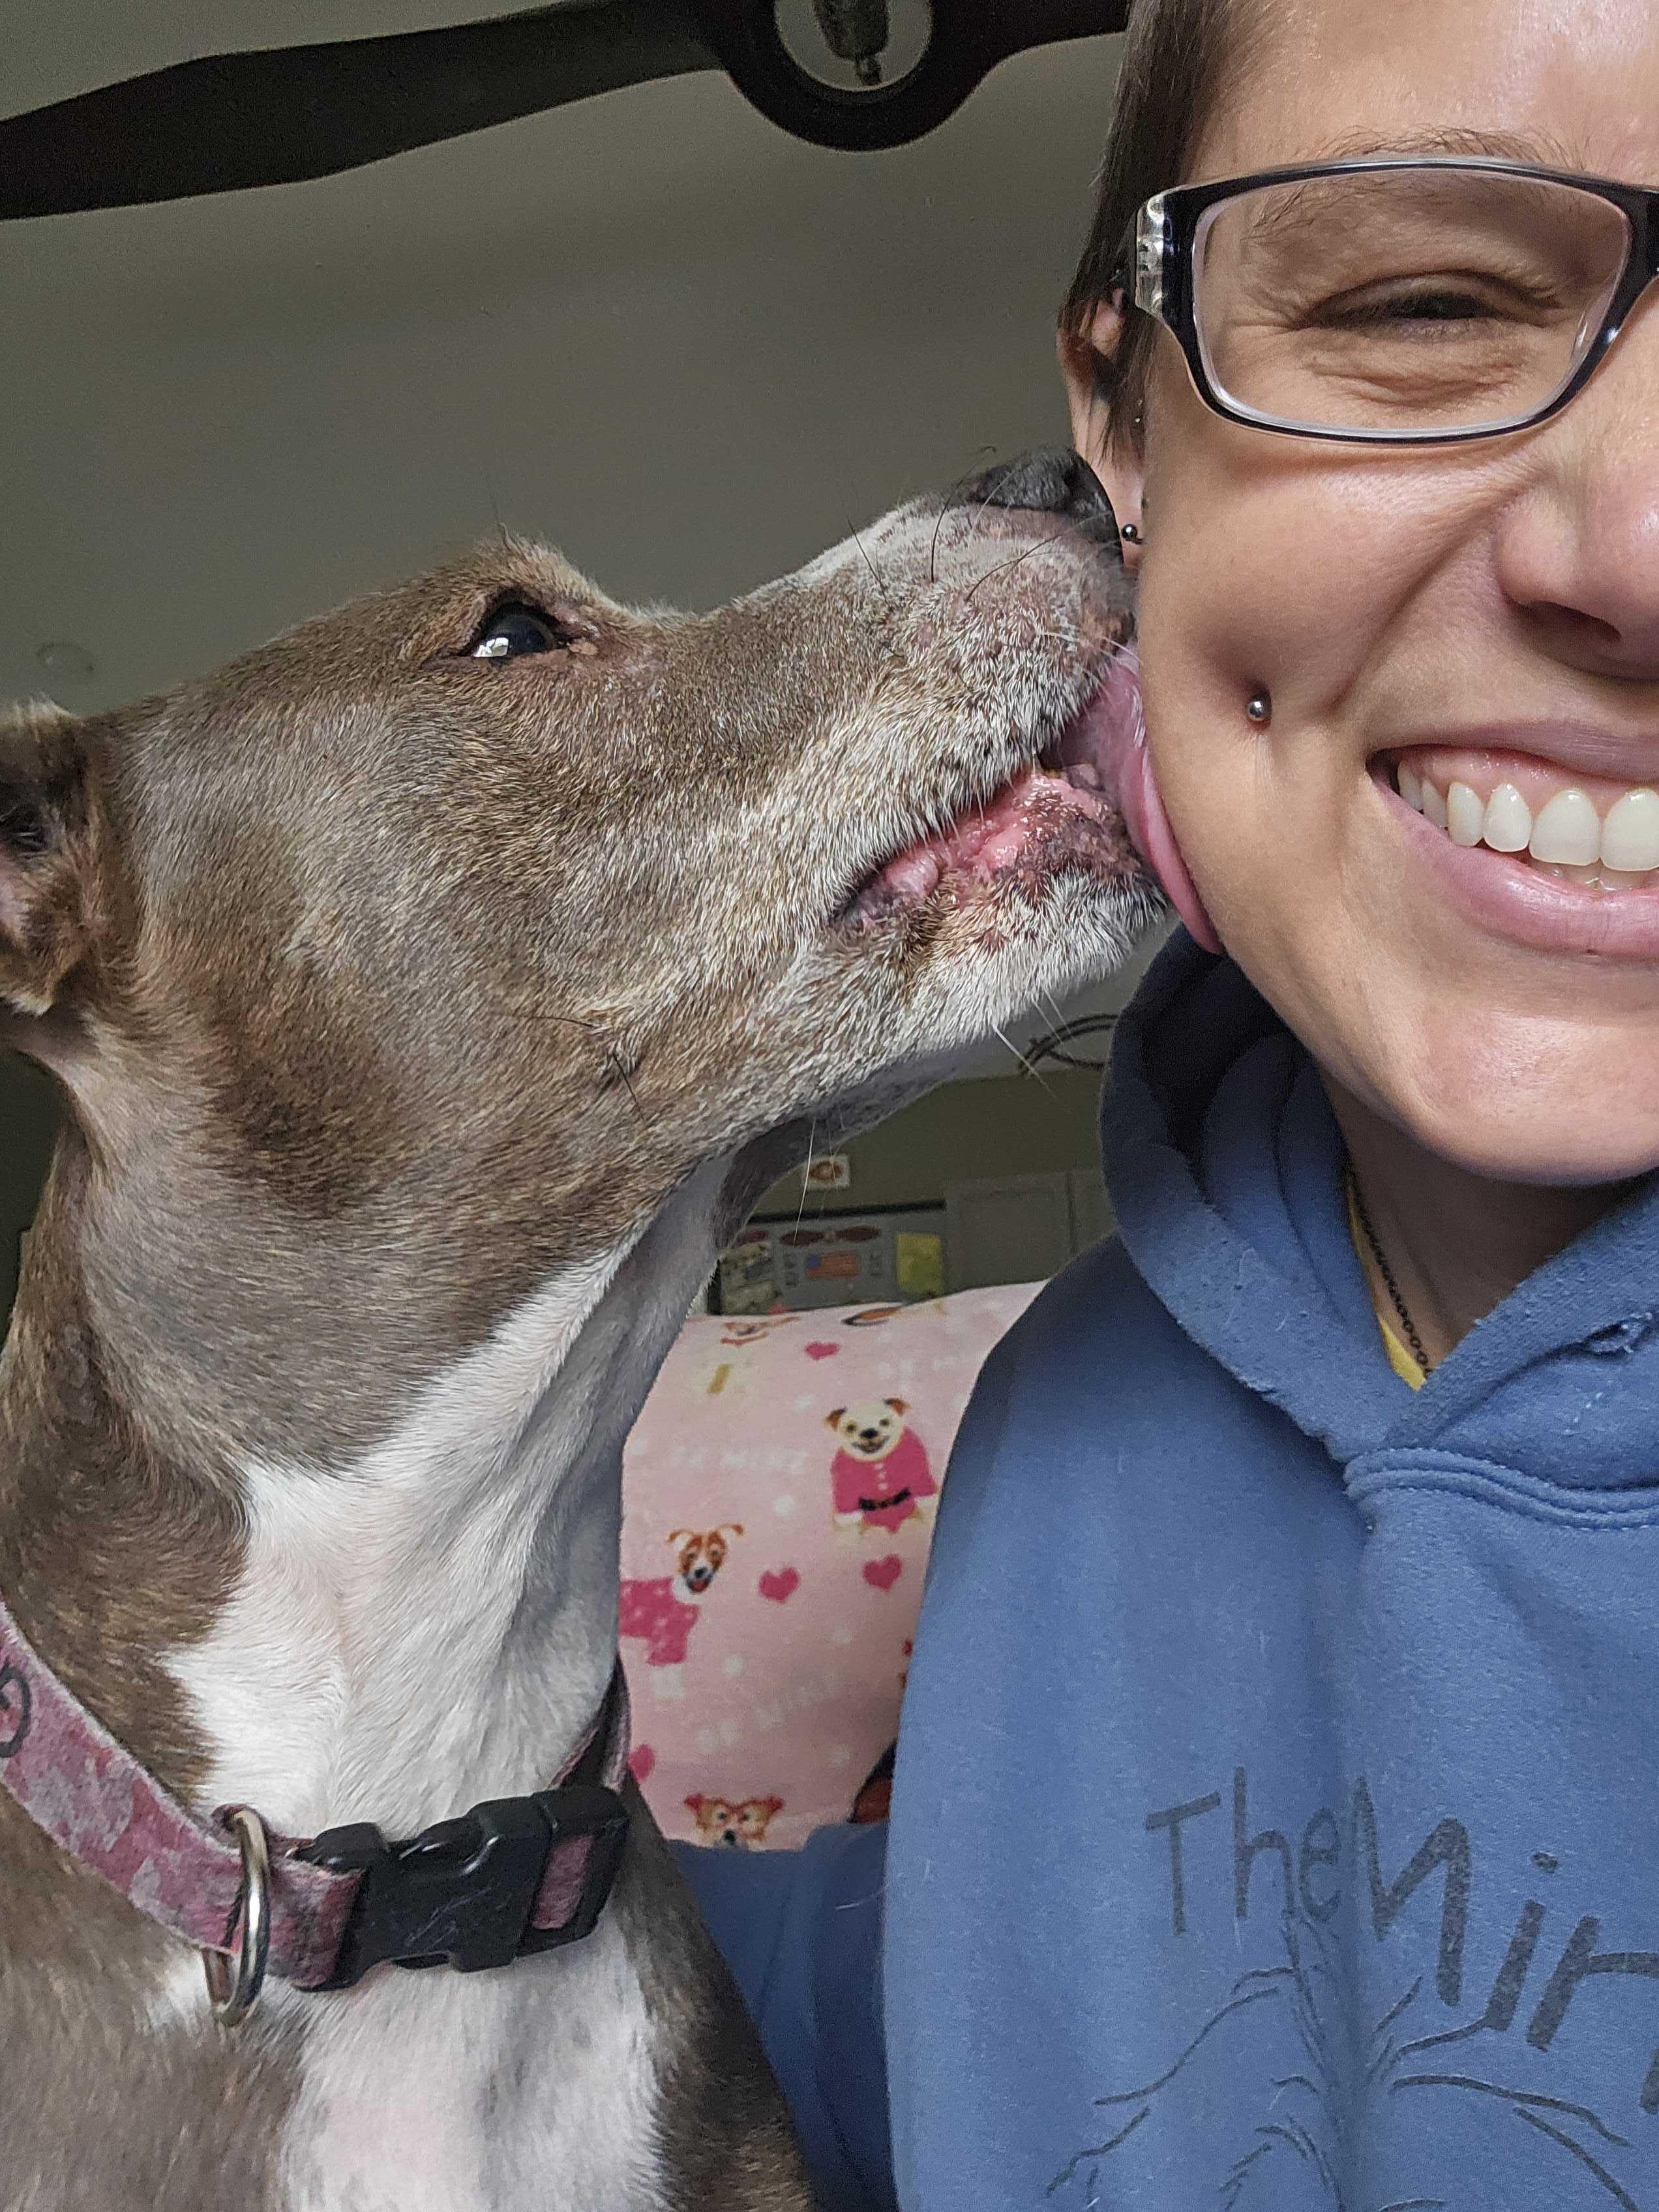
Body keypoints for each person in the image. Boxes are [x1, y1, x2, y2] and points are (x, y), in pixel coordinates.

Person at [676, 1, 1659, 2204]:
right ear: (1120, 429)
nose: (1644, 547)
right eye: (1424, 301)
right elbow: (947, 2018)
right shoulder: (1071, 1424)